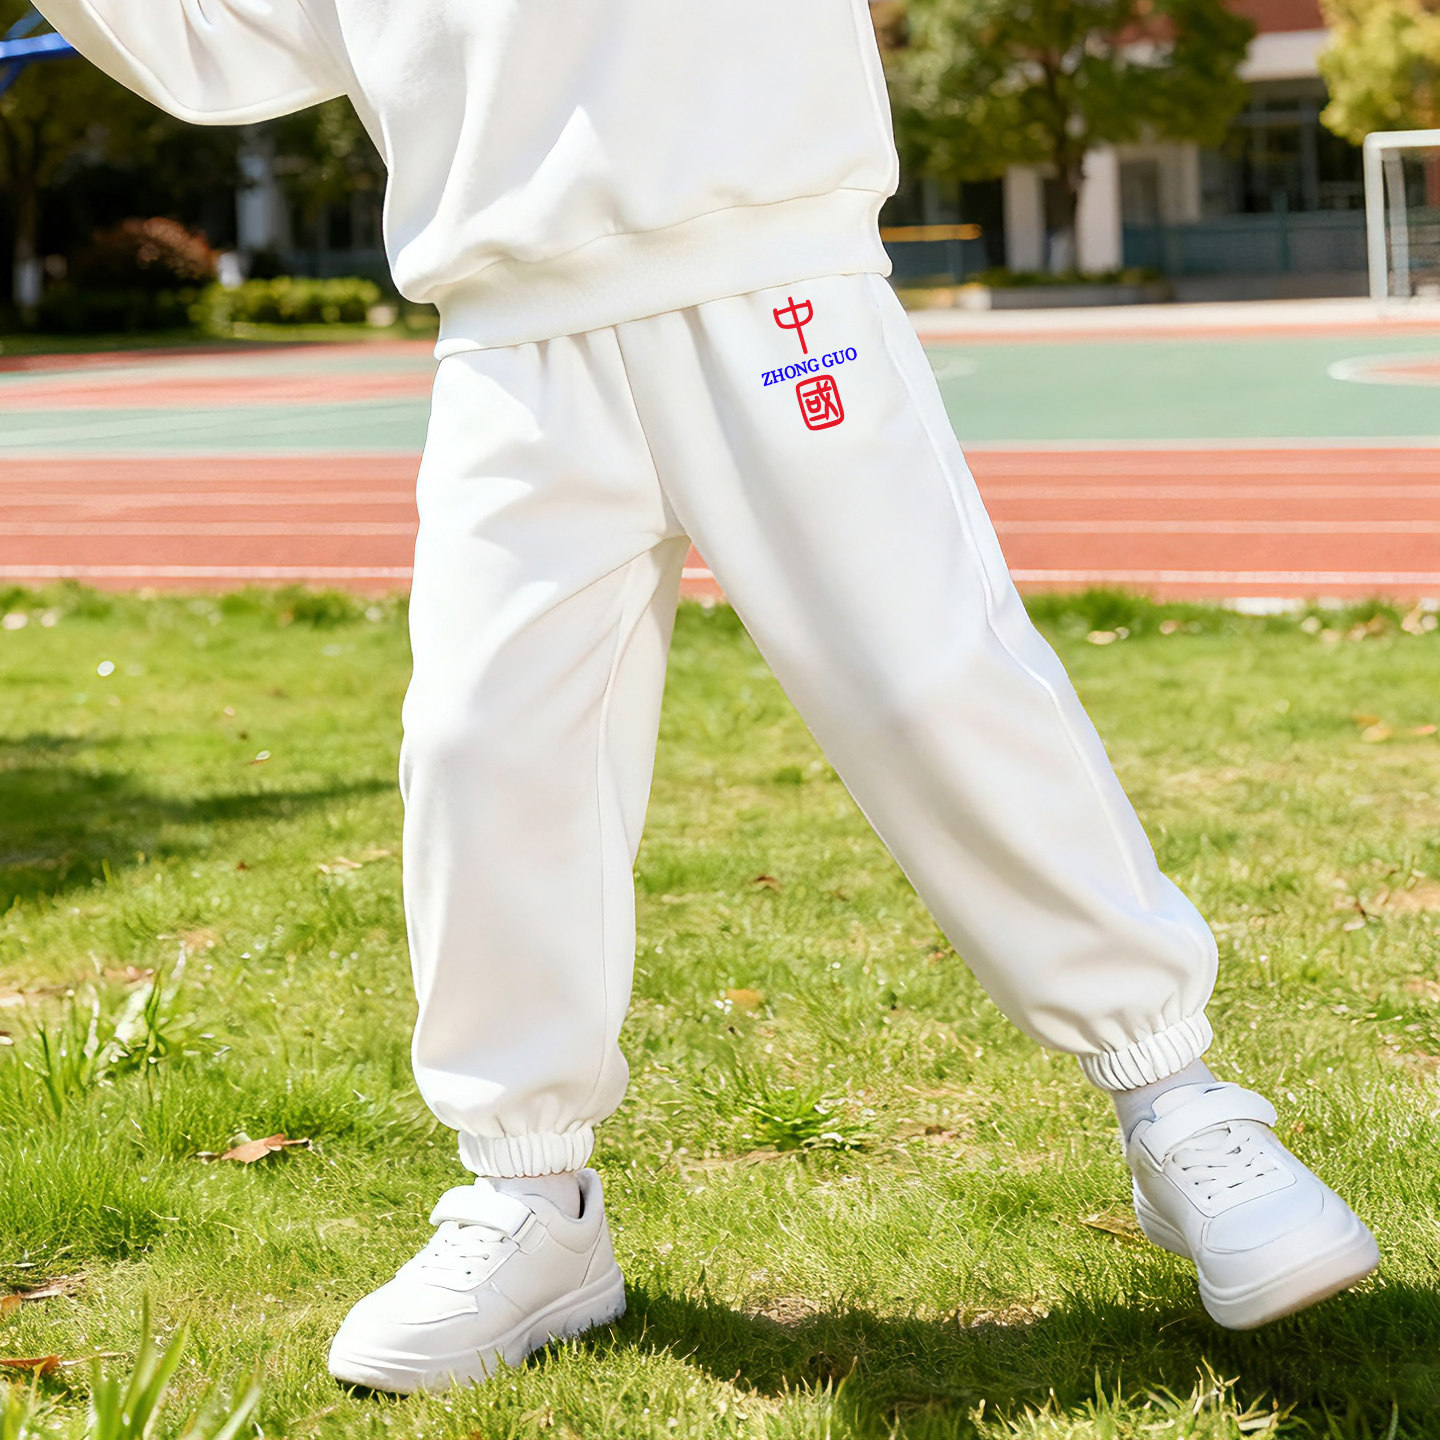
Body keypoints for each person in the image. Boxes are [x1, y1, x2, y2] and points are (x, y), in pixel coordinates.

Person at [37, 0, 1379, 1396]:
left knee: (927, 681)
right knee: (483, 748)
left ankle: (1180, 1106)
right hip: (504, 323)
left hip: (772, 265)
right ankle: (530, 1199)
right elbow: (219, 47)